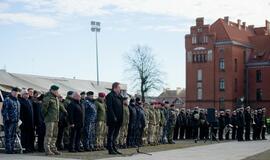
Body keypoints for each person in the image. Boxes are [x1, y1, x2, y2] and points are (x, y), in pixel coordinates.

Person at [42, 85, 67, 156]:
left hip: (56, 119)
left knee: (55, 135)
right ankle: (47, 149)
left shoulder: (56, 98)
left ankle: (53, 148)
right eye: (56, 91)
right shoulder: (47, 97)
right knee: (49, 135)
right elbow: (43, 109)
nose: (57, 92)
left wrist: (65, 111)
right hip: (50, 119)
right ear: (52, 90)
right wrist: (46, 116)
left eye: (57, 91)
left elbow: (60, 106)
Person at [1, 87, 20, 154]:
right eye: (14, 92)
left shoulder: (17, 101)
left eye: (17, 92)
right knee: (8, 135)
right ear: (11, 92)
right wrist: (7, 119)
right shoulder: (7, 100)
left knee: (13, 135)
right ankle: (8, 149)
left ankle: (12, 149)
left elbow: (18, 111)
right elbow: (4, 111)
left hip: (15, 121)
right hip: (9, 122)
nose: (16, 93)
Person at [106, 82, 123, 155]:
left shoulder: (119, 96)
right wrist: (113, 117)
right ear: (115, 88)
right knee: (111, 134)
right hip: (113, 119)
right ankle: (110, 149)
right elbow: (110, 108)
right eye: (119, 88)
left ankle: (114, 147)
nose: (120, 89)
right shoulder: (110, 96)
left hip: (119, 119)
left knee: (115, 135)